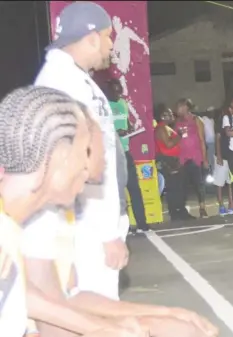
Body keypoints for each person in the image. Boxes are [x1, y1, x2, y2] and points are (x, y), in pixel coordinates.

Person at [0, 86, 145, 337]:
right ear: (59, 158)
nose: (87, 170)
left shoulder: (9, 227)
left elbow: (22, 301)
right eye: (83, 153)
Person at [32, 0, 129, 306]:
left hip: (90, 227)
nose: (111, 44)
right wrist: (105, 232)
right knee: (96, 314)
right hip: (87, 230)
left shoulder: (75, 79)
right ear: (90, 38)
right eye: (107, 35)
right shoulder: (64, 83)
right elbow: (76, 165)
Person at [104, 78, 150, 234]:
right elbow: (102, 130)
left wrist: (130, 129)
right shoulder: (104, 106)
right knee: (117, 192)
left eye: (120, 90)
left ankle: (142, 224)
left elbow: (126, 122)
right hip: (112, 153)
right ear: (108, 91)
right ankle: (124, 226)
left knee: (134, 189)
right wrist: (117, 133)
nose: (118, 94)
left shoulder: (123, 104)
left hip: (126, 152)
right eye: (115, 91)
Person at [174, 98, 209, 218]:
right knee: (183, 185)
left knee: (199, 184)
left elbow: (202, 140)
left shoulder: (196, 120)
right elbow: (175, 140)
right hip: (183, 158)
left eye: (179, 106)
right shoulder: (177, 122)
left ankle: (202, 208)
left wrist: (205, 159)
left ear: (186, 107)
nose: (176, 109)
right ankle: (182, 210)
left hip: (195, 156)